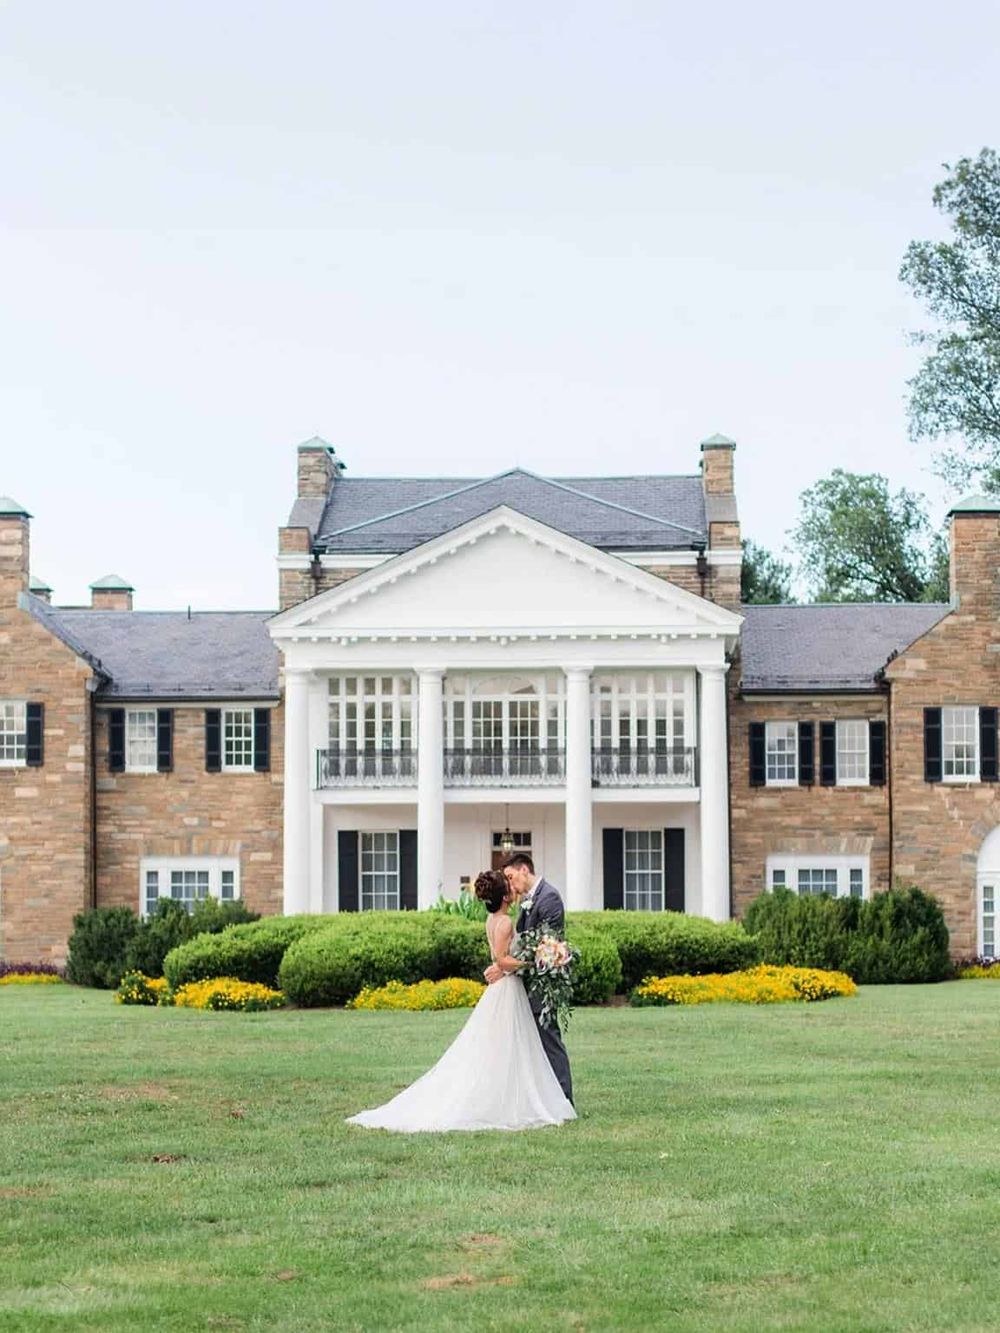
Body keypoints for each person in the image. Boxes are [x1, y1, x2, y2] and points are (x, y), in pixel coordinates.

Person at [345, 868, 576, 1133]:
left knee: (507, 1046)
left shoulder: (495, 919)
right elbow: (502, 960)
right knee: (508, 1046)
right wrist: (531, 962)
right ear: (503, 898)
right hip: (508, 989)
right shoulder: (504, 923)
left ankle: (514, 1094)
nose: (512, 887)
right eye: (508, 884)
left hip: (506, 988)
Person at [490, 852, 574, 1106]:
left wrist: (505, 965)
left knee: (549, 1041)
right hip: (524, 983)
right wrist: (501, 964)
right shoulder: (527, 901)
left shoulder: (549, 898)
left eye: (511, 876)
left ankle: (564, 1099)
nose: (509, 884)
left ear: (524, 870)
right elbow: (522, 944)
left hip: (541, 985)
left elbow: (545, 947)